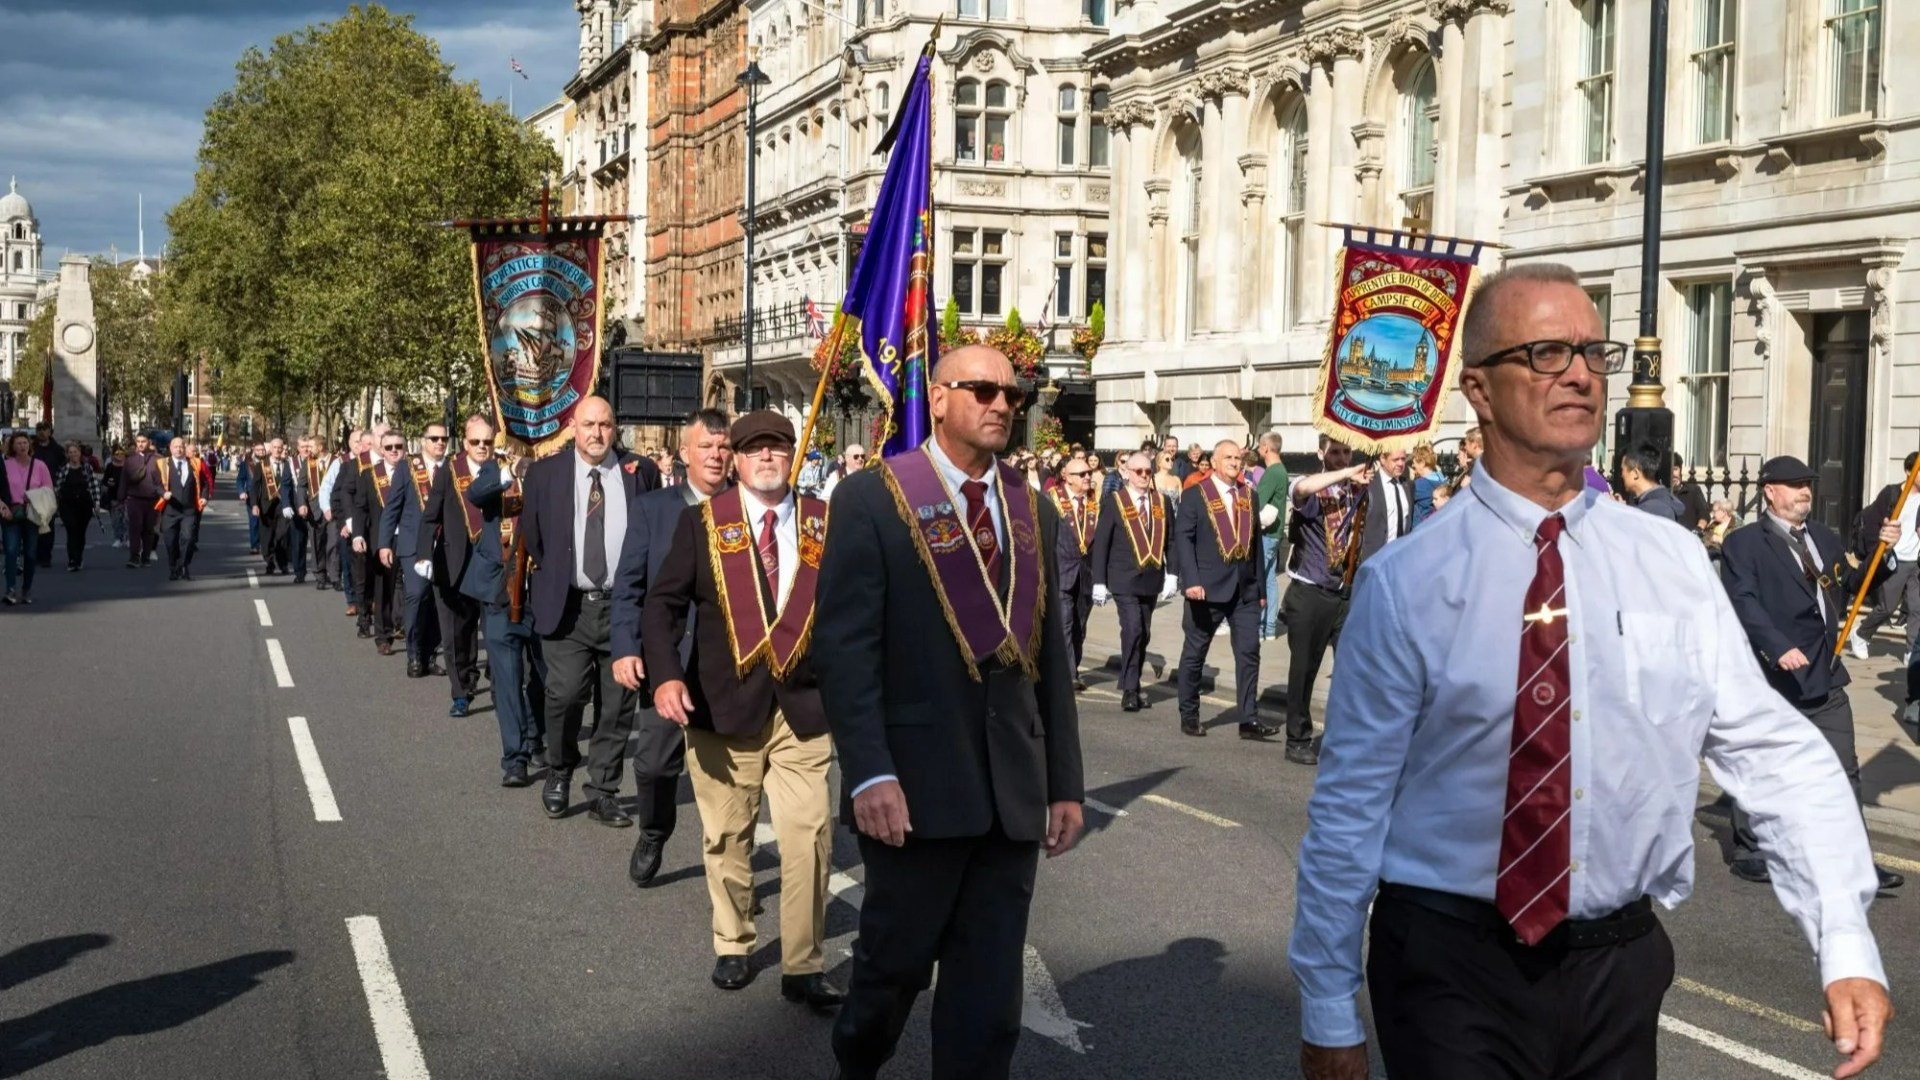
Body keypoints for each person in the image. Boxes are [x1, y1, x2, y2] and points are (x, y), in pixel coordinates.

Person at [1289, 263, 1893, 1080]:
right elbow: (1351, 807)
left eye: (1590, 351)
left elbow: (1769, 750)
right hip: (1449, 966)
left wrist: (1845, 941)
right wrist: (1328, 1008)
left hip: (1619, 965)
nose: (1578, 372)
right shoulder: (1406, 582)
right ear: (1479, 388)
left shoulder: (1671, 560)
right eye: (1543, 352)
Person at [816, 345, 1084, 1080]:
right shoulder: (871, 500)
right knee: (889, 976)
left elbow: (1050, 660)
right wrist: (869, 771)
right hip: (914, 792)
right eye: (982, 389)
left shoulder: (1037, 511)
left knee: (988, 1005)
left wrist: (1065, 782)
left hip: (1010, 797)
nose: (1001, 403)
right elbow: (846, 651)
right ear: (937, 398)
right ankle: (856, 1064)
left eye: (1012, 393)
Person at [640, 411, 843, 1008]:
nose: (766, 458)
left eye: (778, 447)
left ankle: (804, 962)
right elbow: (662, 607)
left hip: (802, 710)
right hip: (721, 708)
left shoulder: (824, 525)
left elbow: (852, 611)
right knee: (728, 836)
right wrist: (666, 678)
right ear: (737, 459)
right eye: (753, 449)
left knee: (808, 835)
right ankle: (733, 942)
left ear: (793, 456)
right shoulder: (701, 524)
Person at [1716, 455, 1906, 893]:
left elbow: (1855, 585)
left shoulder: (1822, 536)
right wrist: (1777, 646)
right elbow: (1743, 601)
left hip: (1824, 674)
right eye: (1796, 484)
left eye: (1808, 484)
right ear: (1769, 491)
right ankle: (1750, 849)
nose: (1806, 491)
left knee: (1843, 769)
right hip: (1771, 677)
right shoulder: (1744, 544)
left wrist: (1885, 552)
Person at [519, 396, 661, 824]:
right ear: (573, 428)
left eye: (605, 424)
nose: (596, 433)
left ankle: (602, 788)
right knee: (563, 695)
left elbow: (653, 534)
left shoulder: (641, 473)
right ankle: (560, 770)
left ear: (615, 428)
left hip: (623, 608)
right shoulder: (545, 475)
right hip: (569, 607)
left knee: (617, 706)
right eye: (588, 425)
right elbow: (536, 538)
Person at [612, 408, 733, 887]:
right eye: (706, 447)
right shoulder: (654, 510)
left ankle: (731, 869)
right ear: (685, 454)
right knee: (657, 764)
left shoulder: (747, 507)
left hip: (727, 666)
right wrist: (626, 647)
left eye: (724, 448)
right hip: (670, 661)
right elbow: (630, 587)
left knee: (729, 780)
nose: (716, 457)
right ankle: (654, 830)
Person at [461, 423, 548, 786]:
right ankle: (515, 758)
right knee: (508, 678)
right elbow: (476, 494)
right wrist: (510, 472)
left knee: (546, 679)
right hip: (501, 592)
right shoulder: (492, 470)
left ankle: (536, 733)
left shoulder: (553, 473)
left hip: (543, 592)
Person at [1278, 436, 1374, 766]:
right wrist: (1345, 473)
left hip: (1345, 593)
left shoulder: (1356, 489)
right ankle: (1298, 738)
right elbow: (1301, 489)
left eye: (1346, 452)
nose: (1342, 457)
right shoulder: (1315, 485)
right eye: (1335, 451)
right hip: (1309, 591)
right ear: (1321, 453)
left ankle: (1341, 735)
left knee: (1351, 668)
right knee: (1304, 670)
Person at [1173, 440, 1276, 741]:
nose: (1234, 461)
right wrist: (1189, 581)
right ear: (1214, 462)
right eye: (1227, 457)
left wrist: (1259, 587)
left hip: (1244, 589)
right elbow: (1184, 539)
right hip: (1205, 589)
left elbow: (1254, 543)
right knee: (1195, 652)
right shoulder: (1195, 495)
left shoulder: (1249, 495)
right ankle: (1189, 714)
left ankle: (1248, 719)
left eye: (1238, 457)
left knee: (1249, 653)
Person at [1091, 449, 1178, 712]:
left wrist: (1172, 574)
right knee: (1133, 628)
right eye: (1138, 471)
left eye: (1148, 471)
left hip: (1150, 579)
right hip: (1122, 579)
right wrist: (1098, 581)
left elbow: (1171, 542)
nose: (1143, 476)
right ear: (1127, 473)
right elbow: (1102, 543)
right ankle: (1129, 689)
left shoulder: (1161, 502)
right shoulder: (1115, 501)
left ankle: (1134, 682)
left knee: (1144, 633)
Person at [414, 420, 484, 717]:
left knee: (481, 629)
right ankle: (460, 693)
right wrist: (423, 555)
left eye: (488, 442)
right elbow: (430, 516)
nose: (483, 447)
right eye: (477, 442)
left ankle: (477, 672)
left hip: (489, 567)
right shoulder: (449, 472)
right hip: (452, 564)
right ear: (466, 444)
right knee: (454, 632)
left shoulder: (503, 471)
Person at [381, 424, 446, 680]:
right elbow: (392, 508)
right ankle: (414, 653)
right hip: (412, 545)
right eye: (434, 438)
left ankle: (431, 653)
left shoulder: (451, 468)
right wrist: (385, 543)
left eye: (444, 438)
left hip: (443, 546)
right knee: (417, 596)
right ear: (423, 441)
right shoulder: (408, 468)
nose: (440, 443)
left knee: (440, 602)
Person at [1849, 450, 1920, 661]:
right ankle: (1861, 633)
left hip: (1916, 560)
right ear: (1909, 471)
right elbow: (1871, 524)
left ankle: (1911, 652)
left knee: (1917, 609)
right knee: (1887, 607)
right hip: (1895, 560)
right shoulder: (1891, 494)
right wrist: (1878, 554)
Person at [351, 431, 405, 653]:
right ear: (381, 450)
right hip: (382, 539)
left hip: (410, 538)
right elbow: (360, 508)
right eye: (389, 447)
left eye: (398, 446)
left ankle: (406, 627)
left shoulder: (415, 473)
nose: (394, 450)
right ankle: (383, 635)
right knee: (384, 589)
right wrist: (357, 534)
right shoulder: (370, 475)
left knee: (410, 589)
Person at [1051, 455, 1097, 691]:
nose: (1088, 477)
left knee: (1080, 626)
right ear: (1067, 478)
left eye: (1089, 472)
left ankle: (1073, 666)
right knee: (1065, 624)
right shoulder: (1051, 501)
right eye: (1082, 474)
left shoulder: (1096, 503)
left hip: (1086, 575)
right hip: (1061, 573)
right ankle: (1069, 674)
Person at [2, 431, 53, 605]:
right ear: (12, 447)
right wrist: (3, 507)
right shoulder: (5, 465)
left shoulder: (40, 466)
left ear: (29, 445)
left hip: (32, 513)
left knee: (31, 554)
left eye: (25, 443)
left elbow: (48, 490)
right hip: (11, 512)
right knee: (10, 550)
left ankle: (27, 588)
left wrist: (35, 498)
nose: (22, 446)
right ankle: (10, 589)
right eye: (18, 443)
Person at [1252, 433, 1290, 639]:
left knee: (1261, 579)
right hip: (1275, 532)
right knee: (1269, 580)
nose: (1258, 451)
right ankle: (1269, 628)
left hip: (1267, 533)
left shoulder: (1273, 472)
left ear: (1266, 448)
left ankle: (1261, 627)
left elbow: (1256, 502)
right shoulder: (1281, 470)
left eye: (1259, 447)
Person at [250, 437, 304, 575]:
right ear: (270, 449)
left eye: (280, 447)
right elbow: (255, 487)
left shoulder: (289, 465)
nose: (278, 450)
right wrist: (254, 504)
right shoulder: (262, 465)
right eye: (275, 447)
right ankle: (269, 561)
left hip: (283, 506)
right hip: (266, 507)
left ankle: (283, 563)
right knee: (267, 539)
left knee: (283, 536)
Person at [157, 436, 206, 581]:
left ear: (185, 448)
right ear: (170, 449)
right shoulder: (162, 464)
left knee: (189, 538)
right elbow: (155, 484)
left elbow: (204, 483)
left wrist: (204, 496)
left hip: (189, 510)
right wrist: (162, 493)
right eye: (176, 447)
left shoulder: (195, 463)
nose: (179, 449)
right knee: (170, 542)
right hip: (170, 510)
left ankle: (183, 565)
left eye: (181, 446)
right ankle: (173, 566)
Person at [53, 442, 100, 572]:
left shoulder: (87, 468)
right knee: (71, 530)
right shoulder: (63, 469)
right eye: (71, 452)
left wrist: (96, 503)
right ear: (67, 454)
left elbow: (93, 486)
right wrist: (55, 503)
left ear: (80, 453)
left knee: (80, 532)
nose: (73, 454)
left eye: (76, 452)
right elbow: (57, 487)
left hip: (84, 504)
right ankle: (72, 559)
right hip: (67, 504)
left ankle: (79, 556)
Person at [1359, 448, 1415, 556]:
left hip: (1401, 556)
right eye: (1395, 459)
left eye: (1403, 459)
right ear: (1383, 459)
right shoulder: (1369, 485)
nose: (1400, 463)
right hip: (1374, 557)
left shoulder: (1408, 485)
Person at [1619, 441, 1689, 525]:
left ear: (1635, 473)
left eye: (1623, 470)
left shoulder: (1653, 510)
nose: (1622, 475)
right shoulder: (1661, 502)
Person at [121, 433, 163, 568]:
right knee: (134, 527)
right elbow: (124, 480)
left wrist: (163, 496)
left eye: (143, 441)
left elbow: (163, 481)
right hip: (134, 499)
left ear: (148, 442)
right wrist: (120, 497)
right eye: (138, 441)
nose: (140, 444)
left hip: (152, 499)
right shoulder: (130, 460)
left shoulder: (158, 459)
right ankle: (134, 556)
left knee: (149, 529)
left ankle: (146, 556)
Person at [305, 436, 337, 591]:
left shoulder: (337, 461)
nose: (308, 449)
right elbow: (300, 486)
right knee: (317, 544)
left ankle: (335, 575)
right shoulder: (308, 463)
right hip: (315, 511)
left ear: (320, 447)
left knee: (333, 543)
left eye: (311, 446)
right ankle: (320, 575)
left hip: (333, 510)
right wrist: (301, 505)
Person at [30, 422, 63, 569]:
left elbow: (63, 469)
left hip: (50, 490)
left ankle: (46, 556)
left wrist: (58, 486)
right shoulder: (31, 449)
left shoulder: (57, 450)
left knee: (48, 524)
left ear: (50, 432)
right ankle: (35, 554)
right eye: (39, 430)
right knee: (33, 522)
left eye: (44, 430)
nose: (42, 433)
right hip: (33, 490)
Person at [1671, 452, 1711, 532]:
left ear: (1680, 470)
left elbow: (1704, 515)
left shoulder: (1693, 491)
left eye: (1675, 469)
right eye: (1670, 470)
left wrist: (1698, 530)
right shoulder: (1661, 494)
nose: (1673, 474)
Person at [1409, 443, 1446, 524]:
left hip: (1420, 527)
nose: (1413, 465)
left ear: (1422, 463)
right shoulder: (1441, 478)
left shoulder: (1419, 485)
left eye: (1414, 462)